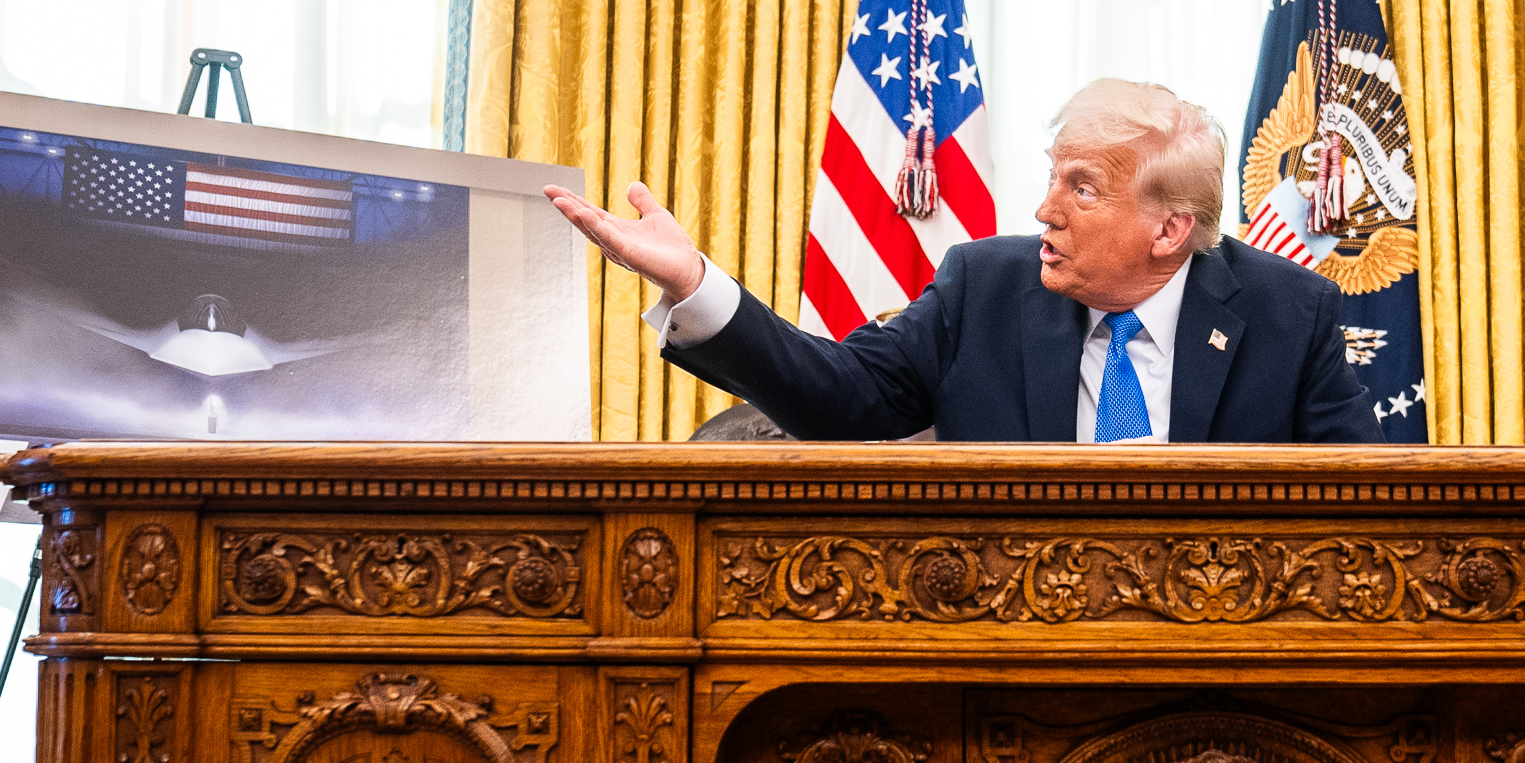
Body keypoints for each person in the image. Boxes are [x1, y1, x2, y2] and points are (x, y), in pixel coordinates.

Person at [549, 78, 1374, 445]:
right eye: (1052, 177)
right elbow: (837, 396)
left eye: (1081, 189)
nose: (1046, 210)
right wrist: (695, 282)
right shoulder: (985, 286)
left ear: (1169, 229)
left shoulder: (1288, 314)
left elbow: (1367, 515)